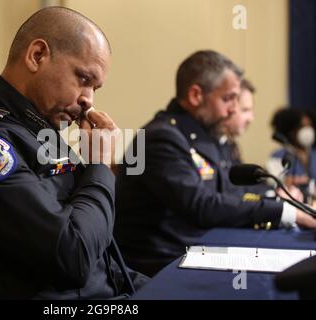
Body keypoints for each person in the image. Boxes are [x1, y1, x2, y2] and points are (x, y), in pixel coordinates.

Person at [0, 7, 147, 299]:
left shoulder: (38, 132)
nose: (89, 100)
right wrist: (99, 164)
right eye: (84, 80)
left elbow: (100, 259)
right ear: (37, 55)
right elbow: (73, 257)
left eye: (95, 88)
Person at [114, 50, 316, 277]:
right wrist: (283, 211)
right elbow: (202, 206)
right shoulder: (160, 138)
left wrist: (274, 196)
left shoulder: (202, 135)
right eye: (228, 98)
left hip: (196, 248)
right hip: (160, 265)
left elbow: (229, 189)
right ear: (196, 95)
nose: (233, 109)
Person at [267, 108, 316, 198]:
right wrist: (287, 181)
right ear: (291, 131)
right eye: (302, 127)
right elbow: (271, 184)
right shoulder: (277, 156)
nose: (308, 130)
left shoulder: (313, 155)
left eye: (310, 125)